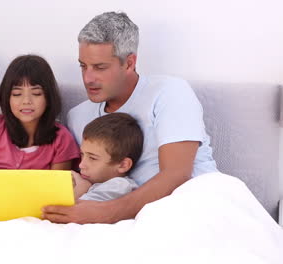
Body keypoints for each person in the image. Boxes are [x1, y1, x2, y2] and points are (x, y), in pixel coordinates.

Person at [42, 11, 218, 223]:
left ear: (129, 63)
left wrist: (105, 213)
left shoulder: (170, 92)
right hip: (127, 223)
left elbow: (177, 175)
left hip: (193, 207)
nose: (88, 78)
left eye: (99, 67)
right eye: (83, 66)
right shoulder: (78, 116)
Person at [0, 55, 79, 170]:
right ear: (7, 97)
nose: (26, 101)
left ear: (49, 97)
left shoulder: (62, 138)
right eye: (17, 94)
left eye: (36, 93)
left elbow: (58, 187)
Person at [73, 113, 143, 201]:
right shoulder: (92, 182)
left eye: (92, 158)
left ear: (123, 165)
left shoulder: (120, 186)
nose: (81, 165)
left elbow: (68, 212)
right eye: (82, 154)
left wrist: (81, 189)